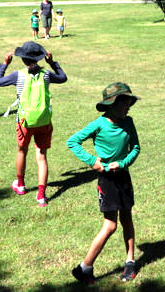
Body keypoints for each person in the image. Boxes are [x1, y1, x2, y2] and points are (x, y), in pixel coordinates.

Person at [67, 83, 141, 285]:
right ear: (112, 104)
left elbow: (135, 148)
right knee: (110, 225)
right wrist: (93, 162)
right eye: (124, 102)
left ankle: (130, 262)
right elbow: (72, 142)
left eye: (129, 102)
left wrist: (123, 163)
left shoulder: (129, 122)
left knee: (127, 218)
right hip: (107, 180)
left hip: (123, 176)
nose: (128, 106)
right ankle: (84, 268)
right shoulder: (99, 124)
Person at [0, 41, 67, 207]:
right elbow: (63, 78)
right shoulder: (47, 74)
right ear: (40, 58)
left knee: (22, 150)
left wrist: (4, 65)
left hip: (25, 121)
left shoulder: (18, 75)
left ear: (23, 59)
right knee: (41, 157)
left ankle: (20, 185)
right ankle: (41, 196)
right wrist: (52, 63)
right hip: (44, 121)